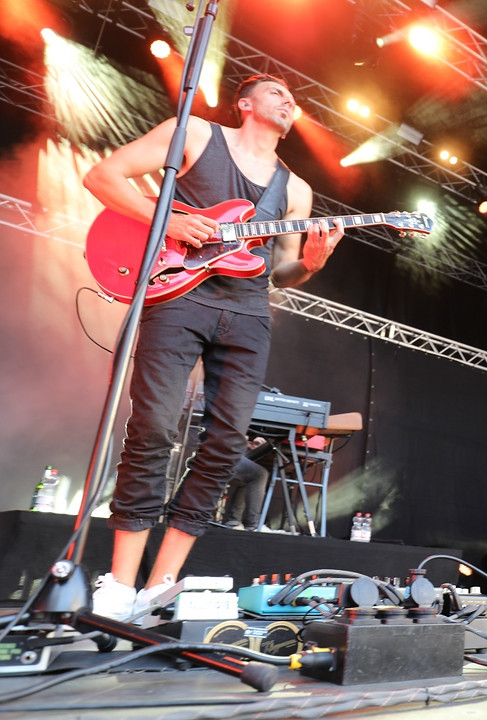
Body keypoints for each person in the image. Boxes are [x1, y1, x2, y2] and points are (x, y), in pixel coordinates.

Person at [84, 74, 344, 621]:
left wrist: (313, 265)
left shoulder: (296, 190)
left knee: (227, 445)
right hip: (178, 295)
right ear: (245, 103)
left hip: (248, 314)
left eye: (295, 97)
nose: (290, 99)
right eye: (277, 92)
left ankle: (161, 582)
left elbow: (280, 271)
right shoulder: (195, 135)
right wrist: (169, 217)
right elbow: (102, 175)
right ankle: (119, 581)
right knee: (154, 426)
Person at [221, 436, 273, 531]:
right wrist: (247, 441)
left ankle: (234, 521)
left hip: (230, 448)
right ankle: (253, 525)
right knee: (259, 474)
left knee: (249, 477)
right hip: (220, 450)